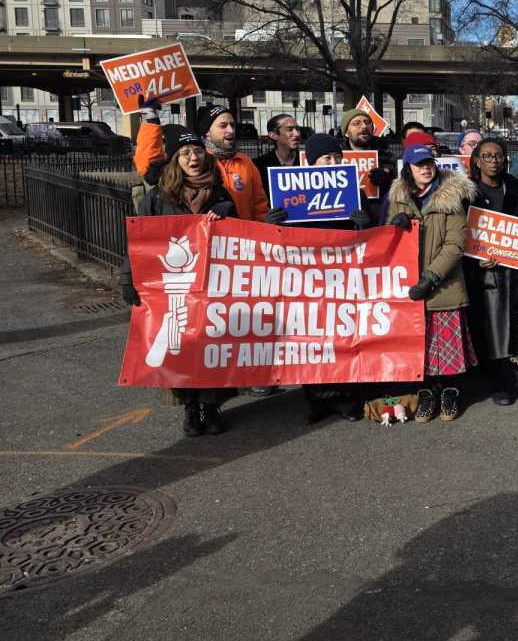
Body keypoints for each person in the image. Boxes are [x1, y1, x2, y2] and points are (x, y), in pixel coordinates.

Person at [119, 131, 237, 437]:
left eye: (197, 151)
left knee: (211, 347)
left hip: (213, 284)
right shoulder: (158, 197)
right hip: (174, 287)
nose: (193, 159)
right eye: (185, 153)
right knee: (181, 347)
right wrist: (128, 279)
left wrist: (228, 213)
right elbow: (138, 242)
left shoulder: (220, 193)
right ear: (174, 160)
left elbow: (240, 239)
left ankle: (212, 407)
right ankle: (190, 409)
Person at [264, 132, 377, 421]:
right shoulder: (290, 192)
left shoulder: (353, 189)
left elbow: (372, 235)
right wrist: (271, 223)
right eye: (327, 158)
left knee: (344, 334)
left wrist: (366, 223)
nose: (333, 162)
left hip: (343, 276)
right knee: (310, 339)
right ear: (311, 162)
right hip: (306, 277)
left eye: (337, 157)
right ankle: (317, 398)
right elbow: (277, 241)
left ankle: (346, 397)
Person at [383, 141, 478, 422]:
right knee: (419, 347)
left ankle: (451, 392)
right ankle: (426, 393)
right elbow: (387, 242)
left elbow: (455, 243)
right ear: (408, 170)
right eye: (419, 165)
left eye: (428, 164)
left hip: (443, 285)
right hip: (409, 286)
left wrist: (432, 276)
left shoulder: (449, 196)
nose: (425, 169)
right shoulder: (399, 198)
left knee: (446, 347)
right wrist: (394, 225)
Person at [465, 138, 518, 406]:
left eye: (497, 156)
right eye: (486, 156)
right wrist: (475, 261)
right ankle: (499, 381)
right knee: (493, 330)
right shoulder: (468, 193)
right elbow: (460, 235)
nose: (493, 160)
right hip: (487, 274)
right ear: (477, 161)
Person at [135, 101, 268, 223]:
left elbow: (259, 205)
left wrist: (261, 233)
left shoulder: (246, 162)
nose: (231, 130)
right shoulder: (198, 159)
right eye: (223, 126)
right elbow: (149, 164)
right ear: (207, 132)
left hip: (240, 241)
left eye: (232, 125)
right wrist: (151, 120)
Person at [253, 114, 302, 188]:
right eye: (289, 129)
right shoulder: (258, 166)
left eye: (297, 129)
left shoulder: (308, 162)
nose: (297, 134)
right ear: (273, 135)